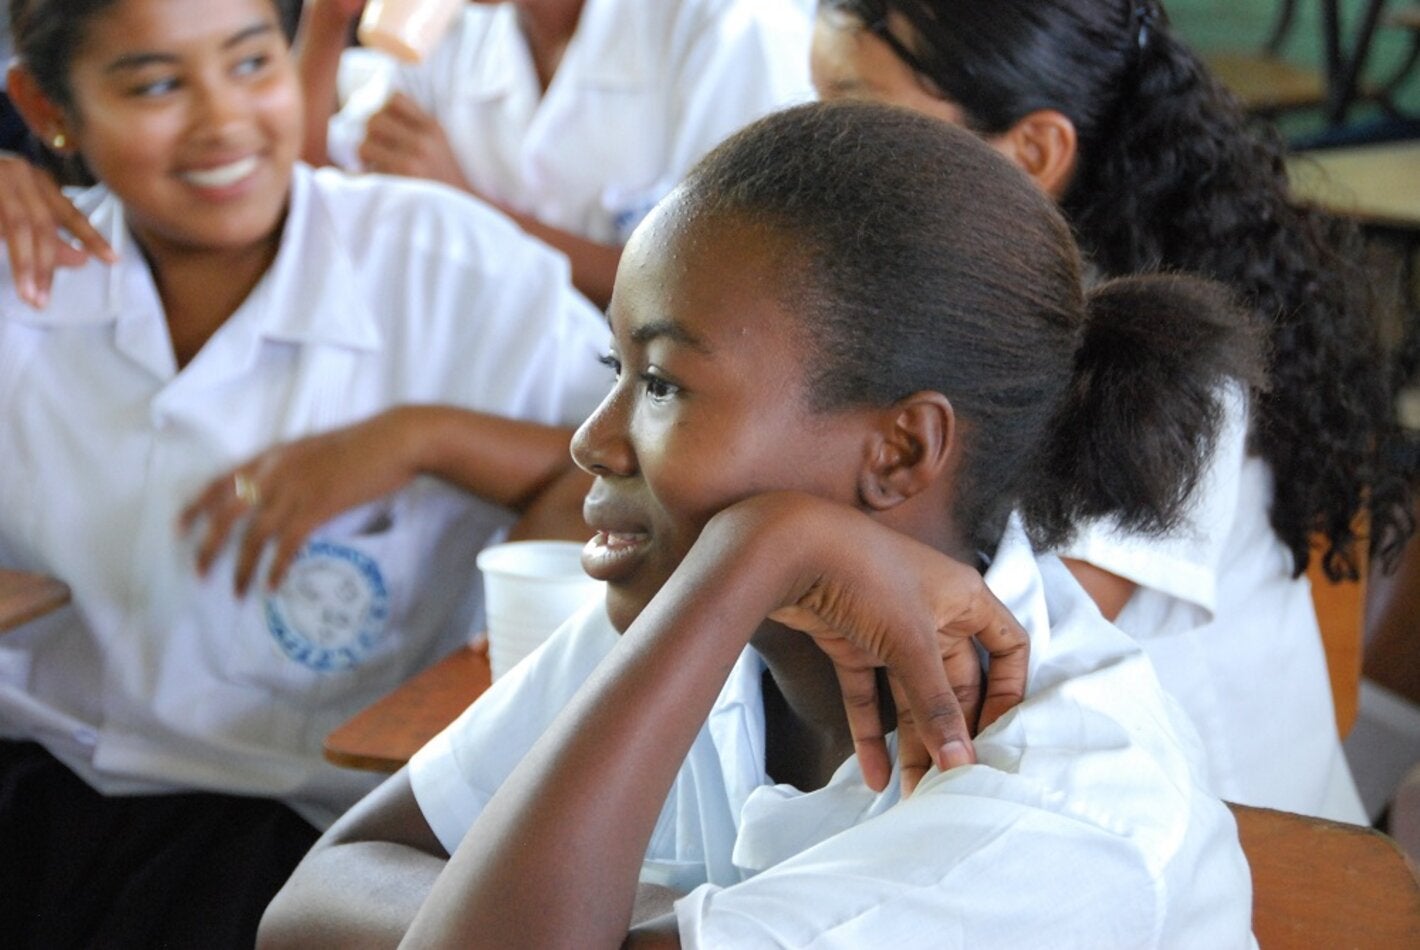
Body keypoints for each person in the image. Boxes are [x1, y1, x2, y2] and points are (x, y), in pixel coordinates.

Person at [260, 101, 1262, 948]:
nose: (590, 442)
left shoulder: (1046, 811)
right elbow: (315, 889)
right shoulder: (711, 615)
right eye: (616, 372)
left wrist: (759, 547)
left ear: (901, 451)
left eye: (661, 383)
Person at [0, 0, 610, 945]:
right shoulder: (21, 279)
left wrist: (427, 438)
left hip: (315, 819)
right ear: (45, 108)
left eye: (252, 63)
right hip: (48, 781)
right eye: (157, 84)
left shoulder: (448, 267)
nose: (224, 121)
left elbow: (637, 478)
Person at [810, 0, 1416, 824]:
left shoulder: (1161, 365)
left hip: (1233, 851)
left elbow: (997, 656)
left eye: (853, 111)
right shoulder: (949, 287)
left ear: (1032, 152)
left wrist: (774, 554)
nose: (812, 150)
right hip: (1044, 798)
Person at [295, 0, 815, 307]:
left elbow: (727, 294)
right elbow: (310, 202)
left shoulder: (731, 28)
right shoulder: (448, 28)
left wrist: (470, 211)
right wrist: (325, 27)